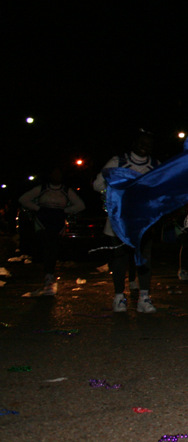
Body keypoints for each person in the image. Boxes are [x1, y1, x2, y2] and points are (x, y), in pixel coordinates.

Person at [93, 130, 160, 313]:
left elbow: (163, 187)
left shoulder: (155, 165)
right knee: (121, 258)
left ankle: (144, 298)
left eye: (149, 144)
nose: (144, 146)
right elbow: (98, 183)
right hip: (120, 219)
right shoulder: (119, 161)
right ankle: (118, 297)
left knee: (144, 258)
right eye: (141, 142)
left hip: (144, 220)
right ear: (134, 144)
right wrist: (118, 191)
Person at [18, 168, 85, 295]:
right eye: (54, 174)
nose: (56, 176)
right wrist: (38, 208)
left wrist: (65, 211)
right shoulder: (42, 188)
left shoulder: (66, 191)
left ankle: (49, 274)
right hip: (43, 220)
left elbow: (80, 205)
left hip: (57, 221)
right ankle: (48, 274)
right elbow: (23, 199)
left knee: (53, 247)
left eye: (59, 174)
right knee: (46, 245)